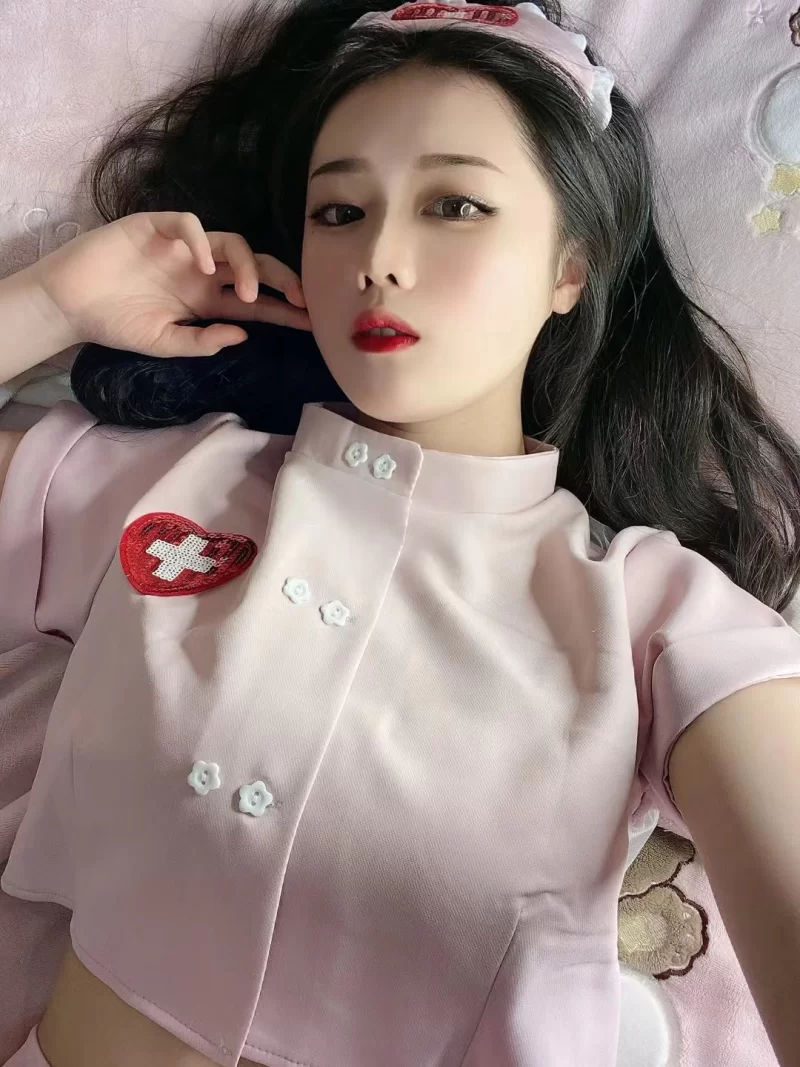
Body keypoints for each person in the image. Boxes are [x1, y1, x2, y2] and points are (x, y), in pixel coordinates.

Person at [1, 0, 800, 1064]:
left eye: (454, 205)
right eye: (339, 212)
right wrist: (52, 301)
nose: (379, 255)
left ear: (570, 267)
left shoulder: (658, 617)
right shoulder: (166, 485)